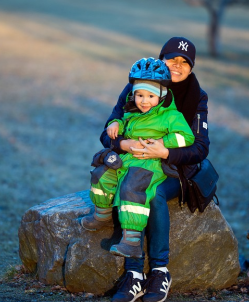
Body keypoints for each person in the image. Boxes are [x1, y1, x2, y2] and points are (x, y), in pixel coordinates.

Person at [98, 37, 210, 302]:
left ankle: (159, 271)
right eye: (172, 59)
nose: (178, 66)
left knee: (152, 193)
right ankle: (134, 275)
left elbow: (201, 148)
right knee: (128, 183)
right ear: (161, 59)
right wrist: (122, 143)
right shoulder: (137, 85)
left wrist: (165, 152)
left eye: (185, 63)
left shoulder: (197, 96)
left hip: (177, 169)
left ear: (191, 68)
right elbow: (109, 130)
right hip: (137, 160)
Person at [81, 57, 195, 261]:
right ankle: (102, 214)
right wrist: (115, 123)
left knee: (131, 188)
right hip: (128, 158)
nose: (143, 101)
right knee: (101, 174)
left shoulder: (171, 116)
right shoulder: (131, 112)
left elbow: (186, 137)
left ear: (161, 96)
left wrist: (162, 142)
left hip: (150, 163)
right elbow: (122, 123)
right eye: (139, 95)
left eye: (150, 96)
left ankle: (132, 241)